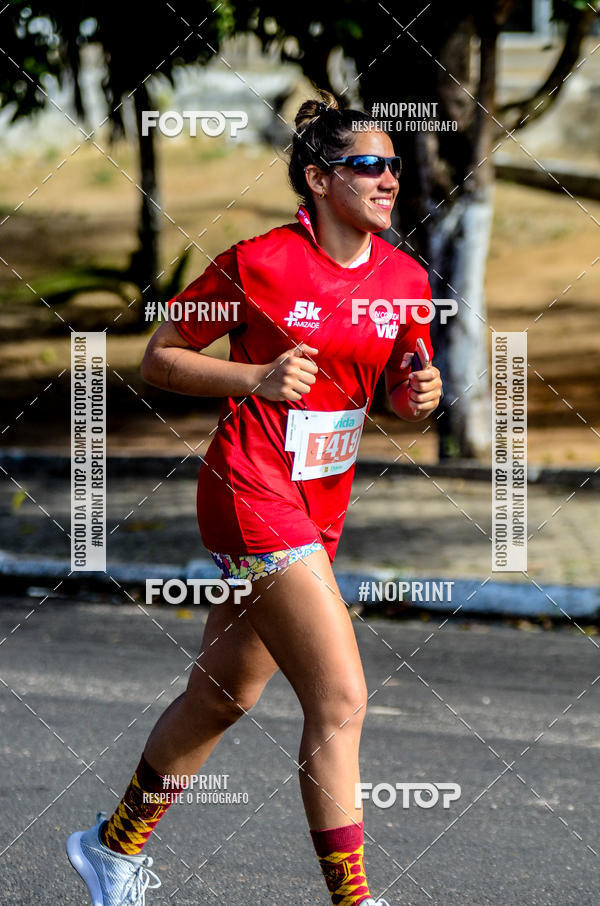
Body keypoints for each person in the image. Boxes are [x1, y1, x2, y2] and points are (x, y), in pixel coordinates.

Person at [66, 89, 443, 906]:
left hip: (320, 507)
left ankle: (111, 849)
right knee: (340, 698)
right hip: (248, 490)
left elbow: (390, 390)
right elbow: (161, 356)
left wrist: (415, 400)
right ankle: (354, 901)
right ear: (319, 178)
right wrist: (253, 377)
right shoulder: (260, 263)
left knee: (223, 694)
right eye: (368, 166)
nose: (389, 179)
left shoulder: (407, 278)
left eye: (393, 166)